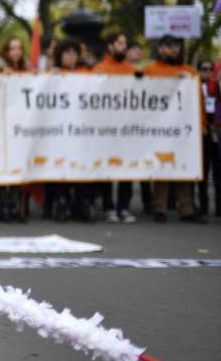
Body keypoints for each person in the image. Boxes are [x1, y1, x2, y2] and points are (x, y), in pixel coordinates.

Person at [143, 35, 207, 223]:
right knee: (161, 166)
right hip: (160, 128)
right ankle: (159, 208)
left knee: (184, 166)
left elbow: (199, 102)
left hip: (184, 130)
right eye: (169, 47)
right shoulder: (151, 70)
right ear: (161, 48)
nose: (173, 51)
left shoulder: (189, 71)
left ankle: (186, 209)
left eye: (177, 47)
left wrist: (202, 123)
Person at [47, 38, 96, 223]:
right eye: (67, 53)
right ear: (60, 56)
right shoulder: (53, 75)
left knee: (81, 166)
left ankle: (81, 202)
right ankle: (61, 202)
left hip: (81, 129)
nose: (71, 57)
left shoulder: (87, 74)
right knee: (62, 166)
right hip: (60, 129)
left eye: (74, 53)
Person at [92, 31, 138, 224]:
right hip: (106, 128)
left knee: (126, 169)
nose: (123, 47)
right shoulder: (99, 69)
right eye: (120, 43)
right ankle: (109, 207)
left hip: (126, 128)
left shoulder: (132, 70)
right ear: (110, 46)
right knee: (108, 168)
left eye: (125, 43)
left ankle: (124, 207)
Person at [0, 37, 30, 222]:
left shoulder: (26, 71)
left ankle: (16, 206)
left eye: (19, 48)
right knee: (3, 167)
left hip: (20, 126)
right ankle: (3, 206)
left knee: (17, 168)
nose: (16, 52)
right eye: (12, 48)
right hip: (3, 125)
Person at [197, 59, 219, 218]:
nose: (207, 72)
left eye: (210, 70)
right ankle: (202, 207)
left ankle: (219, 207)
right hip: (200, 134)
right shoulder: (193, 86)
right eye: (204, 69)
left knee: (218, 173)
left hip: (215, 132)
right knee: (202, 173)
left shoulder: (216, 87)